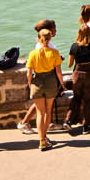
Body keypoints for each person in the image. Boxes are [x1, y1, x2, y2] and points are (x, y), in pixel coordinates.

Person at [25, 19, 64, 150]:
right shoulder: (54, 52)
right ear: (49, 37)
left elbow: (29, 73)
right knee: (48, 112)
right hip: (50, 82)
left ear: (39, 38)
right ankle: (45, 137)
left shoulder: (33, 53)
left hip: (37, 83)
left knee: (40, 113)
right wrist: (62, 84)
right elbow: (58, 72)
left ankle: (41, 140)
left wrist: (30, 84)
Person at [65, 23, 90, 132]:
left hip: (77, 74)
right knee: (88, 99)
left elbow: (69, 64)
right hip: (89, 73)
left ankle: (68, 120)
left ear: (79, 34)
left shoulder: (74, 46)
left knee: (76, 98)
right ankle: (86, 125)